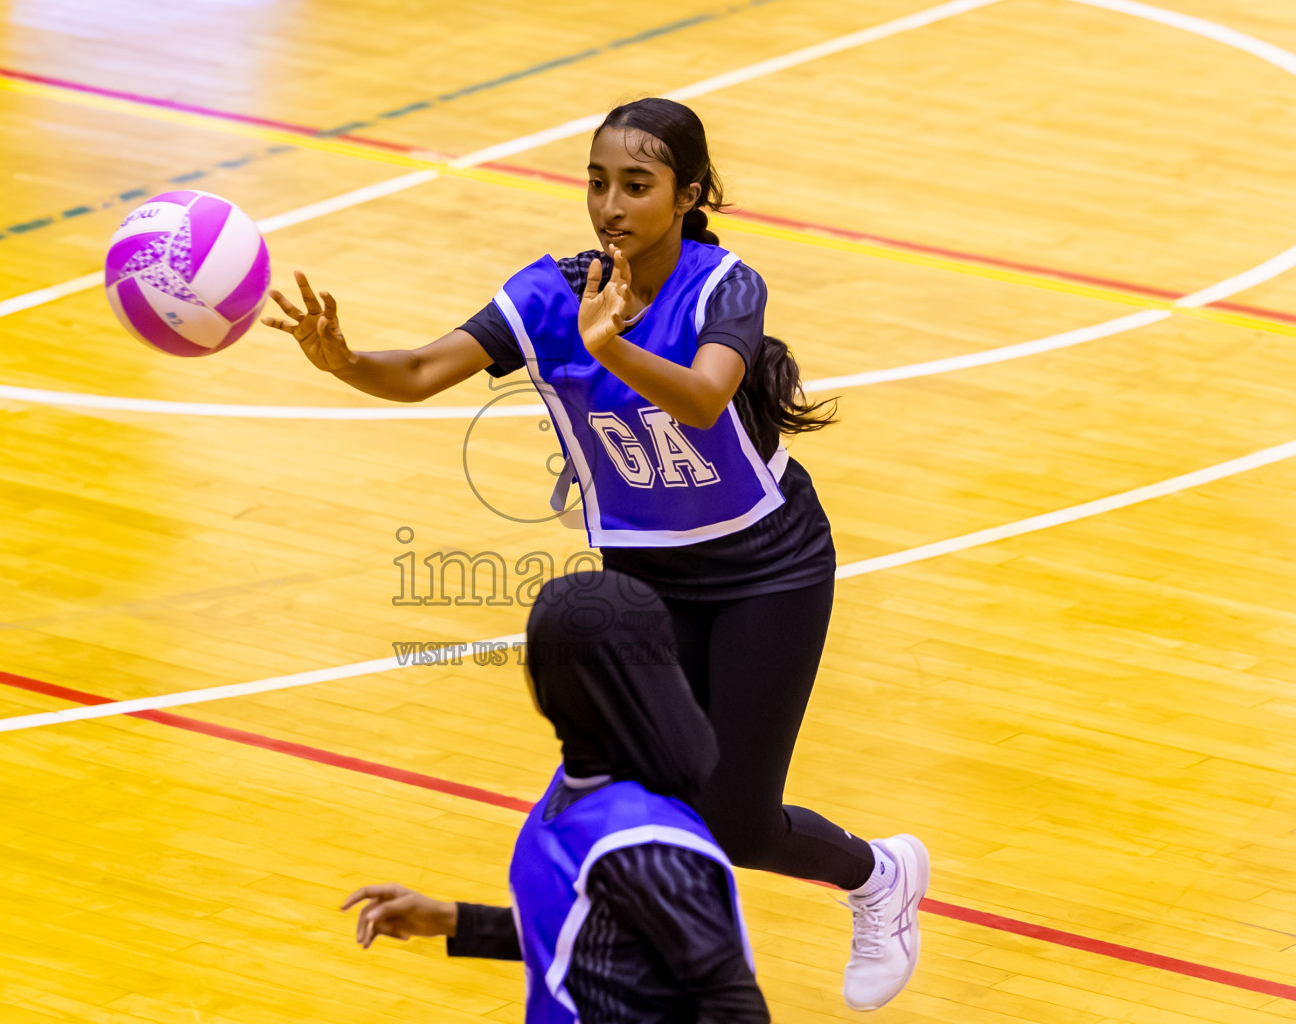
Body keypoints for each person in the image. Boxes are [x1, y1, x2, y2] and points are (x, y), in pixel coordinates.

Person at [266, 97, 928, 1010]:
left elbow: (703, 398)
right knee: (613, 803)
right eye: (596, 182)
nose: (610, 205)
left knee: (734, 822)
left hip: (767, 568)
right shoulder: (551, 293)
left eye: (636, 185)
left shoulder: (724, 286)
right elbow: (418, 371)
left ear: (687, 195)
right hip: (645, 577)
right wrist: (342, 360)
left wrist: (607, 345)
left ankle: (879, 875)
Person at [343, 570, 769, 1023]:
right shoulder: (574, 787)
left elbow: (738, 1012)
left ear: (552, 687)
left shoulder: (645, 847)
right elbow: (584, 935)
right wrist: (452, 920)